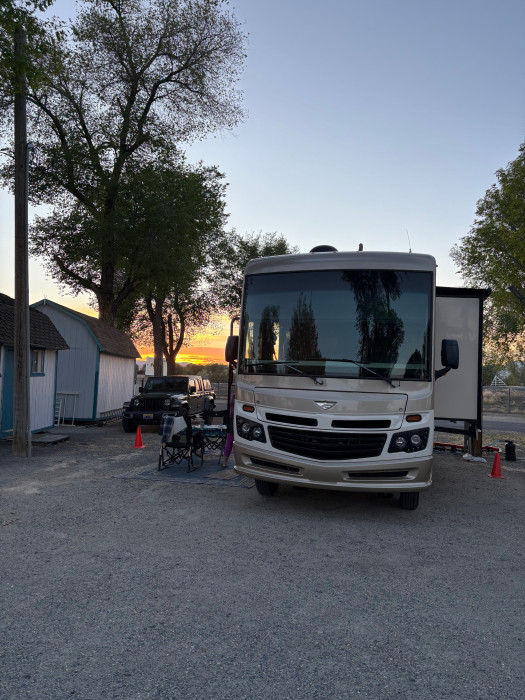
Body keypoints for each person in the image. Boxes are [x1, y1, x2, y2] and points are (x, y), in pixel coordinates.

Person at [221, 392, 235, 468]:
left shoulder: (233, 396)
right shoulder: (234, 396)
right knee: (230, 441)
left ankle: (224, 462)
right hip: (235, 420)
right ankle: (224, 462)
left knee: (229, 441)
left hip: (232, 420)